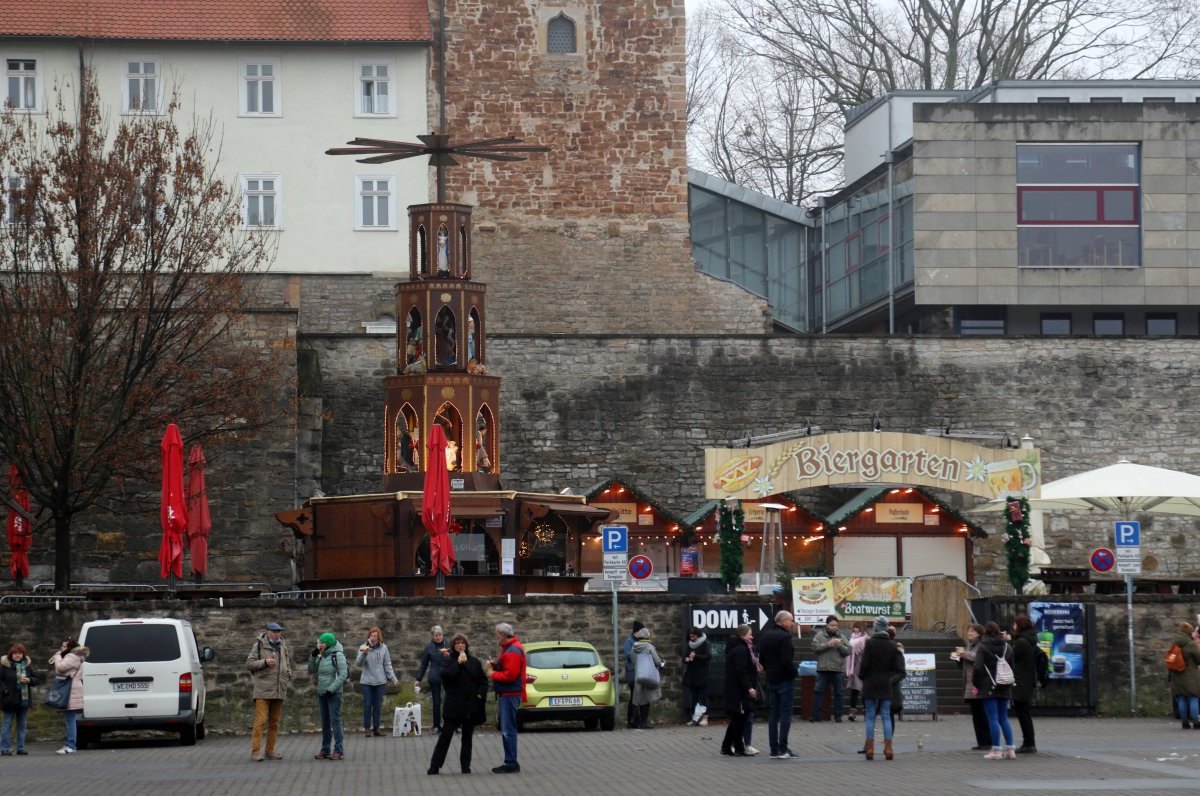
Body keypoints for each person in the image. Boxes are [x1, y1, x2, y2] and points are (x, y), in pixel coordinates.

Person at [427, 633, 488, 775]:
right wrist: (459, 664)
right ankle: (435, 765)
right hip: (454, 704)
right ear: (453, 646)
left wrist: (480, 694)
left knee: (467, 737)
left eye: (463, 643)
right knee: (446, 736)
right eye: (457, 643)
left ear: (466, 645)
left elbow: (483, 681)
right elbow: (446, 676)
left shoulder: (474, 661)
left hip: (470, 705)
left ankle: (465, 766)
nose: (461, 645)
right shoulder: (449, 661)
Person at [857, 616, 904, 761]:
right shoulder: (893, 645)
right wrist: (888, 680)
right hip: (885, 685)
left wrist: (863, 677)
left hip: (871, 683)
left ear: (876, 627)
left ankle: (870, 748)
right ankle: (888, 748)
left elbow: (864, 666)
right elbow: (899, 669)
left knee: (870, 715)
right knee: (886, 716)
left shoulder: (870, 643)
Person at [245, 621, 294, 762]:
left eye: (279, 632)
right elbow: (249, 664)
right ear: (267, 633)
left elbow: (287, 663)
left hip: (279, 689)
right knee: (260, 721)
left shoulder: (282, 645)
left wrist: (288, 675)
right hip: (263, 689)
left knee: (274, 722)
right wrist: (264, 662)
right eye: (274, 632)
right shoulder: (259, 645)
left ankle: (270, 750)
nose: (277, 634)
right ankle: (255, 751)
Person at [485, 622, 526, 774]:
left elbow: (511, 674)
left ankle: (511, 762)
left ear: (502, 634)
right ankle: (510, 761)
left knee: (508, 730)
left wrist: (492, 673)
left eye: (497, 634)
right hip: (509, 693)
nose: (496, 636)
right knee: (508, 729)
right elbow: (508, 667)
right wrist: (496, 664)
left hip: (510, 694)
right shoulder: (510, 648)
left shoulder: (512, 650)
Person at [972, 621, 1016, 760]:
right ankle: (1010, 749)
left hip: (988, 685)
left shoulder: (983, 646)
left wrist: (976, 684)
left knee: (993, 718)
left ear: (985, 632)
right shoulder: (1007, 647)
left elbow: (978, 667)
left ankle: (996, 750)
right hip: (1005, 684)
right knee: (1004, 718)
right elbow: (1012, 665)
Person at [758, 610, 798, 759]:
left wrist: (769, 670)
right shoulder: (785, 637)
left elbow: (762, 658)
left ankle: (774, 748)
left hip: (771, 678)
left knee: (773, 714)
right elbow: (786, 660)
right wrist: (794, 673)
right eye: (791, 620)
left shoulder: (765, 635)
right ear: (782, 621)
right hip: (785, 679)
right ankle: (783, 748)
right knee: (786, 714)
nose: (792, 623)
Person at [308, 632, 348, 761]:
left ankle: (338, 750)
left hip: (334, 693)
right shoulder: (322, 656)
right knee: (325, 722)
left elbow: (343, 674)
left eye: (322, 642)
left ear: (328, 643)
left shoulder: (338, 655)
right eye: (319, 642)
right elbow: (311, 669)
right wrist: (313, 656)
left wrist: (331, 689)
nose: (319, 644)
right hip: (322, 692)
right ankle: (325, 749)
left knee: (335, 721)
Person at [951, 623, 990, 751]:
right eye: (969, 631)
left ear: (979, 633)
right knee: (976, 714)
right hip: (970, 684)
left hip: (978, 684)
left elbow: (975, 657)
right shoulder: (970, 645)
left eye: (973, 631)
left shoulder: (981, 645)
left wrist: (963, 654)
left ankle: (987, 742)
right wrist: (958, 659)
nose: (970, 633)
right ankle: (981, 742)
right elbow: (967, 661)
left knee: (981, 714)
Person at [720, 623, 758, 757]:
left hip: (736, 689)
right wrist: (749, 688)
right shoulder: (741, 650)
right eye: (749, 634)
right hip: (739, 691)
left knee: (738, 719)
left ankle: (729, 746)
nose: (752, 637)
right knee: (739, 719)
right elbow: (741, 672)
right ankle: (737, 746)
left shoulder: (737, 648)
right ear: (743, 635)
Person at [356, 626, 398, 738]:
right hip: (367, 682)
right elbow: (358, 663)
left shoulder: (384, 648)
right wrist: (364, 653)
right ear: (368, 637)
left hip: (380, 681)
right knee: (367, 705)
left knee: (377, 705)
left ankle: (376, 728)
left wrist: (392, 677)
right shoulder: (363, 647)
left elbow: (387, 664)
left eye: (375, 636)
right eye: (371, 636)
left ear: (379, 638)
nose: (373, 638)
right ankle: (367, 728)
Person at [0, 643, 40, 756]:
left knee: (22, 725)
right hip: (9, 700)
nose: (17, 656)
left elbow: (36, 679)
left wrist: (29, 680)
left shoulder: (27, 666)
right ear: (11, 655)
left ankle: (20, 748)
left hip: (24, 700)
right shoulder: (5, 666)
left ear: (23, 655)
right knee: (7, 725)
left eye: (20, 653)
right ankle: (4, 748)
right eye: (15, 654)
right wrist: (5, 690)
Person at [50, 637, 88, 755]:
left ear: (70, 648)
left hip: (70, 690)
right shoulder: (75, 657)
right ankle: (69, 744)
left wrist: (57, 656)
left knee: (70, 719)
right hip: (72, 689)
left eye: (64, 646)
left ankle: (71, 745)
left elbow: (60, 669)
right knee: (69, 718)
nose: (61, 648)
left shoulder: (71, 657)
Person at [811, 614, 850, 722]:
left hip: (837, 670)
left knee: (839, 693)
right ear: (827, 625)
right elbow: (815, 648)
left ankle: (838, 715)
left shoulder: (841, 637)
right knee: (818, 692)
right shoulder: (819, 636)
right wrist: (828, 644)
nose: (834, 627)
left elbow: (849, 651)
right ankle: (816, 715)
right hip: (823, 669)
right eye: (832, 625)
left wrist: (839, 645)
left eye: (836, 625)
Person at [1010, 614, 1041, 752]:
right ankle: (1029, 742)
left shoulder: (1022, 642)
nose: (1013, 626)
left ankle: (1029, 743)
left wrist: (1008, 643)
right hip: (1027, 680)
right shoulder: (1029, 640)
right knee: (1024, 713)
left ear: (1020, 626)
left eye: (1015, 624)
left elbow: (1011, 656)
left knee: (1023, 713)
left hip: (1021, 681)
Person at [415, 625, 450, 734]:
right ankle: (436, 725)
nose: (438, 637)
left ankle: (453, 724)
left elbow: (454, 658)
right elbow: (424, 664)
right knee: (436, 702)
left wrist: (448, 655)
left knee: (450, 701)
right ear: (432, 636)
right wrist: (418, 679)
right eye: (436, 635)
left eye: (440, 635)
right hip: (435, 676)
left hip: (448, 675)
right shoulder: (429, 647)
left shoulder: (448, 644)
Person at [629, 627, 664, 729]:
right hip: (648, 676)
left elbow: (632, 660)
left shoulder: (633, 647)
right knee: (646, 699)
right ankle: (643, 723)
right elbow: (657, 661)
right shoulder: (649, 647)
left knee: (637, 699)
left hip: (638, 676)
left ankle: (634, 720)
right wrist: (662, 663)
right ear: (648, 635)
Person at [1168, 621, 1200, 730]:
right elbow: (1198, 659)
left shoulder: (1175, 643)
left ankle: (1184, 722)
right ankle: (1196, 722)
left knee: (1181, 698)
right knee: (1193, 697)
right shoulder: (1191, 644)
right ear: (1189, 632)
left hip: (1177, 673)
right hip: (1190, 673)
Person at [681, 626, 711, 726]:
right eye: (690, 635)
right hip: (692, 674)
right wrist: (686, 659)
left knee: (703, 696)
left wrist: (696, 656)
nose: (692, 637)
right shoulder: (690, 644)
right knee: (694, 697)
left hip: (702, 674)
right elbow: (685, 656)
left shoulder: (705, 643)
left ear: (698, 634)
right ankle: (695, 718)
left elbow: (708, 656)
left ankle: (705, 717)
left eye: (693, 634)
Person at [623, 620, 644, 728]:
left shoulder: (643, 641)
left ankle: (638, 720)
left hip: (642, 672)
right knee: (634, 697)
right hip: (633, 672)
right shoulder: (629, 641)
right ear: (637, 631)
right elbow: (628, 654)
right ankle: (632, 720)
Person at [845, 622, 868, 721]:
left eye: (858, 627)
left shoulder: (867, 639)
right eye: (855, 627)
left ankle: (867, 711)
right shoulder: (852, 638)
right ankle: (852, 712)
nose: (856, 629)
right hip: (854, 667)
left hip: (864, 667)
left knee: (865, 691)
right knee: (855, 690)